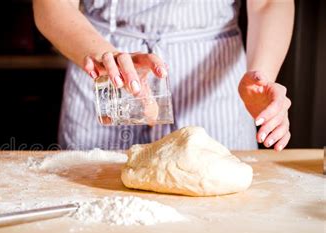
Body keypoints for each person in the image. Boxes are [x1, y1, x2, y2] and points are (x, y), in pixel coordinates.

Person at [33, 0, 294, 150]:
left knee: (214, 223)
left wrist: (262, 77)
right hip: (103, 59)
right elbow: (53, 6)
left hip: (212, 75)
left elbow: (268, 3)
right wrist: (106, 58)